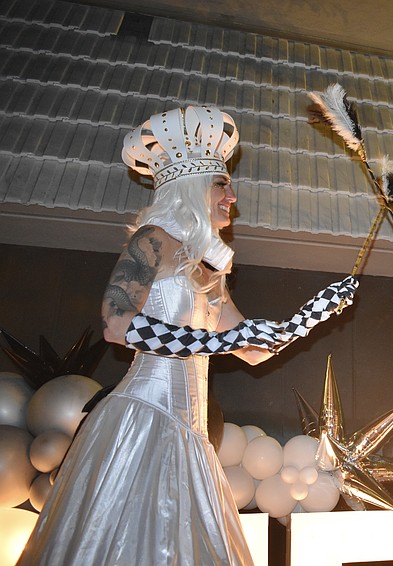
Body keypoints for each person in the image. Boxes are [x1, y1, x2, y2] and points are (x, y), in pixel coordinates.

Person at [18, 106, 358, 565]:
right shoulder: (152, 240)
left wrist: (316, 313)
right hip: (143, 418)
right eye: (223, 184)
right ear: (191, 187)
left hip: (193, 436)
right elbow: (117, 324)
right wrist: (216, 342)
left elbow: (255, 349)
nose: (232, 196)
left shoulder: (210, 274)